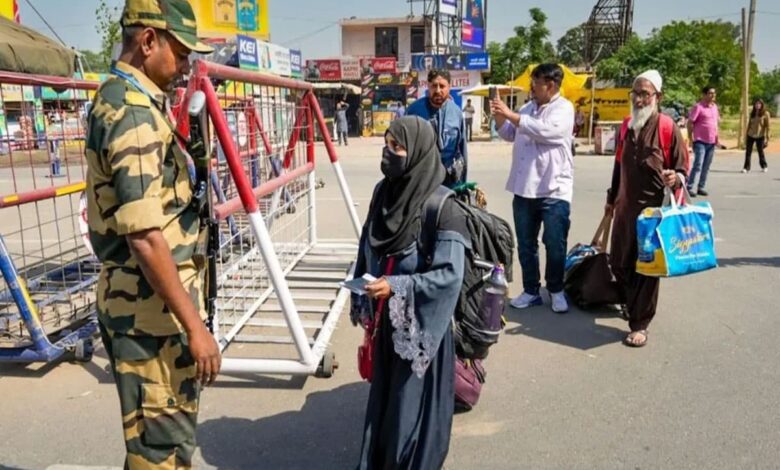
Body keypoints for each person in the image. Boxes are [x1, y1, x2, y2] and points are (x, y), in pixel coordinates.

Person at [84, 1, 220, 467]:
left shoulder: (123, 99)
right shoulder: (132, 113)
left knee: (159, 444)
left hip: (147, 306)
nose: (185, 67)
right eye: (180, 54)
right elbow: (144, 235)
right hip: (149, 313)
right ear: (148, 42)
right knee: (160, 452)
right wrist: (196, 328)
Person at [352, 116, 469, 470]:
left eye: (398, 147)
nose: (389, 154)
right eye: (386, 144)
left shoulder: (443, 207)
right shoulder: (382, 192)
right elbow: (367, 244)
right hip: (388, 324)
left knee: (410, 408)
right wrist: (362, 288)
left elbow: (450, 275)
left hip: (422, 330)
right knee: (387, 403)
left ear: (417, 152)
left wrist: (399, 286)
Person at [605, 70, 688, 347]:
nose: (639, 99)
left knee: (647, 270)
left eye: (645, 94)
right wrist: (610, 199)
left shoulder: (667, 127)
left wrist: (676, 177)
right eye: (636, 93)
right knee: (619, 261)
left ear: (657, 97)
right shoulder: (626, 126)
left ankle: (640, 322)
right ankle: (632, 303)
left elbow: (681, 167)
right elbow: (618, 166)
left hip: (653, 215)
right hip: (625, 210)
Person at [490, 63, 574, 314]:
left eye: (535, 84)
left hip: (553, 189)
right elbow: (509, 133)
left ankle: (556, 290)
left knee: (554, 242)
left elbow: (546, 131)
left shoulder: (564, 109)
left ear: (550, 85)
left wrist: (512, 115)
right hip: (524, 187)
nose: (531, 89)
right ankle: (531, 290)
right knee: (526, 243)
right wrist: (499, 114)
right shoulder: (527, 108)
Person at [407, 69, 468, 187]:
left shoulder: (456, 113)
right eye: (434, 86)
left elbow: (462, 149)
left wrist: (462, 185)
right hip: (421, 180)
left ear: (449, 87)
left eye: (442, 86)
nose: (438, 90)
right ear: (428, 86)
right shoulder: (413, 111)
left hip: (450, 180)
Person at [687, 86, 720, 196]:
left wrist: (717, 139)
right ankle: (689, 186)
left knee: (706, 165)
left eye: (714, 93)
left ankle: (701, 186)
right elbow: (690, 122)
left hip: (711, 141)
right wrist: (690, 138)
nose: (712, 95)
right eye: (710, 93)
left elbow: (716, 124)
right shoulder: (698, 107)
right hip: (700, 140)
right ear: (704, 94)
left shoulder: (714, 107)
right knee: (698, 164)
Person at [743, 98, 770, 173]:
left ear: (762, 105)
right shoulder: (752, 113)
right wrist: (746, 136)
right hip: (750, 135)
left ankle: (764, 166)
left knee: (760, 151)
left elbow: (768, 127)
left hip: (760, 136)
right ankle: (746, 167)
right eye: (756, 104)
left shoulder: (765, 113)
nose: (757, 105)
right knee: (748, 152)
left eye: (759, 104)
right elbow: (749, 125)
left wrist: (767, 139)